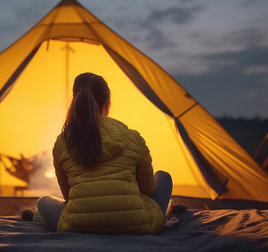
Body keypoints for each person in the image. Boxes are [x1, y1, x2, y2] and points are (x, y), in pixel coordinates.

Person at [36, 72, 177, 234]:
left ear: (75, 102)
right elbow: (147, 191)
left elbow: (68, 196)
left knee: (44, 202)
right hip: (137, 224)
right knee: (164, 177)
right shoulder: (132, 137)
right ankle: (163, 216)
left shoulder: (63, 142)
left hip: (78, 225)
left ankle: (41, 217)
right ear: (107, 103)